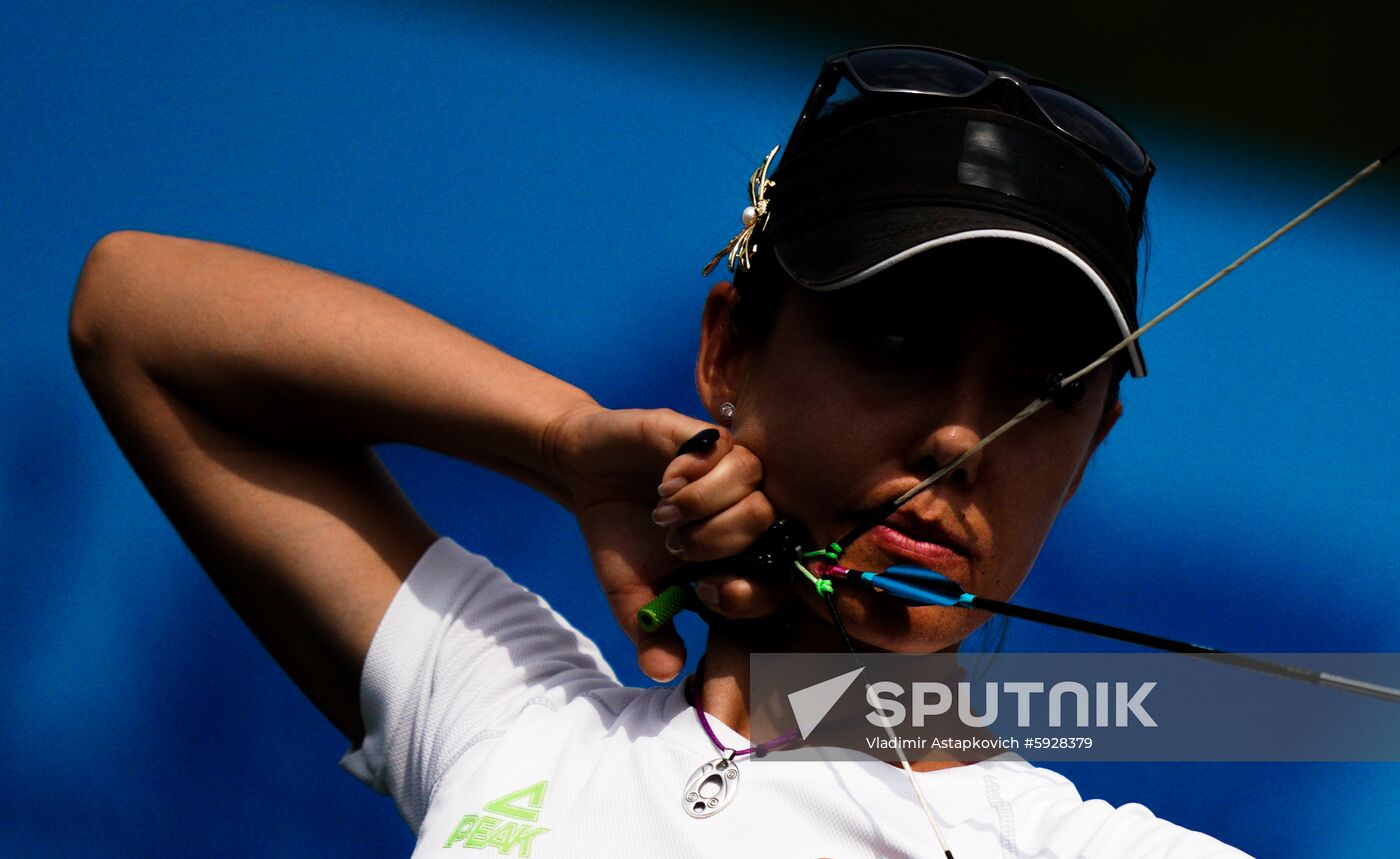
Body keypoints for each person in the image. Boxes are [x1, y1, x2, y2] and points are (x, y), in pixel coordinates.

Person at [69, 45, 1249, 857]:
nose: (958, 433)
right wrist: (567, 443)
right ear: (728, 350)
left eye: (1040, 393)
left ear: (1089, 445)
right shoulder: (513, 717)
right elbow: (134, 310)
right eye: (893, 342)